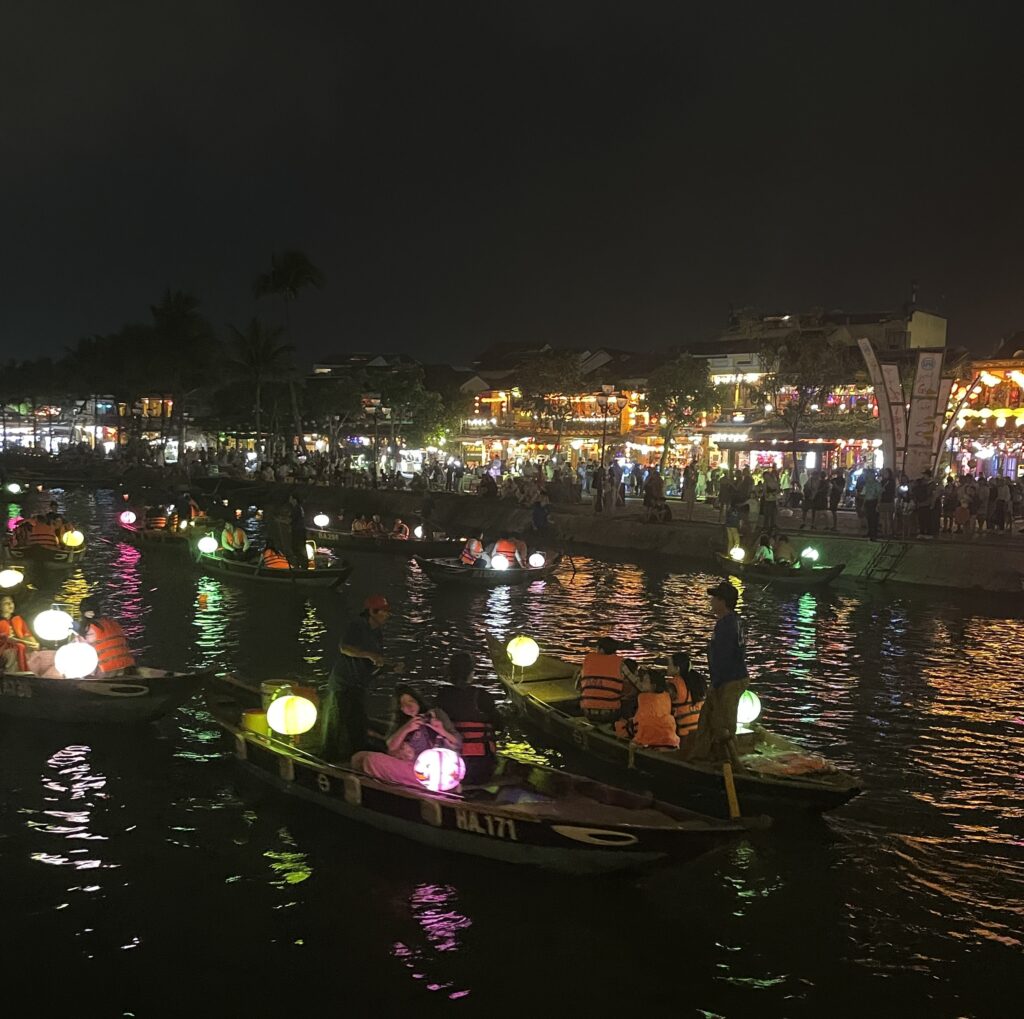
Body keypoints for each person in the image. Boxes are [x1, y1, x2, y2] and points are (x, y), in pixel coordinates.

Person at [323, 594, 397, 761]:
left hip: (359, 684)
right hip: (343, 683)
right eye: (384, 612)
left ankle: (357, 752)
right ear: (372, 612)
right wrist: (369, 655)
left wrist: (390, 666)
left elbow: (376, 659)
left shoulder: (377, 632)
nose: (387, 615)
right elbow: (345, 647)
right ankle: (330, 758)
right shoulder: (357, 625)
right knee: (336, 723)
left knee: (358, 721)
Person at [350, 685, 460, 788]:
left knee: (371, 760)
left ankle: (386, 785)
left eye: (411, 701)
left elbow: (457, 743)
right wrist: (407, 728)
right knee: (358, 757)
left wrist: (440, 730)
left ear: (418, 701)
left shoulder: (435, 714)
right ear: (401, 708)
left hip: (431, 770)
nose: (409, 706)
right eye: (403, 704)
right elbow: (391, 747)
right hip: (408, 765)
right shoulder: (403, 723)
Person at [688, 582, 748, 761]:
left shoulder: (725, 626)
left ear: (723, 601)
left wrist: (716, 683)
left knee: (724, 725)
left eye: (714, 598)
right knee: (707, 718)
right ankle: (701, 756)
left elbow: (725, 657)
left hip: (727, 681)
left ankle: (731, 763)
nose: (711, 601)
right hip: (733, 678)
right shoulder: (737, 622)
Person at [434, 652, 503, 784]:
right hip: (480, 763)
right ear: (471, 673)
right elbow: (499, 725)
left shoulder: (441, 696)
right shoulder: (483, 696)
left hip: (450, 759)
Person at [614, 667, 679, 749]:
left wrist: (626, 726)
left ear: (653, 686)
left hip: (647, 739)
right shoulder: (665, 697)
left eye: (645, 680)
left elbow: (639, 724)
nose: (642, 682)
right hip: (668, 738)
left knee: (619, 725)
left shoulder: (645, 698)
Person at [577, 636, 637, 723]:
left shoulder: (588, 660)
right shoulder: (620, 664)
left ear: (601, 650)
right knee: (632, 696)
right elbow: (636, 683)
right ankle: (626, 722)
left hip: (587, 712)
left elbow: (578, 687)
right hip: (611, 714)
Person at [77, 596, 136, 676]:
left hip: (107, 670)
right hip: (128, 668)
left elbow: (81, 649)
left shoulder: (89, 627)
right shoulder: (113, 622)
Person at [665, 651, 707, 741]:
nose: (667, 667)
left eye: (669, 665)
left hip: (682, 735)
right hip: (699, 731)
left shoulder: (674, 684)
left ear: (677, 668)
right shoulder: (699, 680)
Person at [0, 594, 39, 672]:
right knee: (13, 653)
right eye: (6, 603)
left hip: (22, 645)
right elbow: (6, 638)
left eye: (11, 602)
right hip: (5, 648)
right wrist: (24, 642)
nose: (10, 605)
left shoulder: (18, 619)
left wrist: (33, 643)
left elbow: (27, 634)